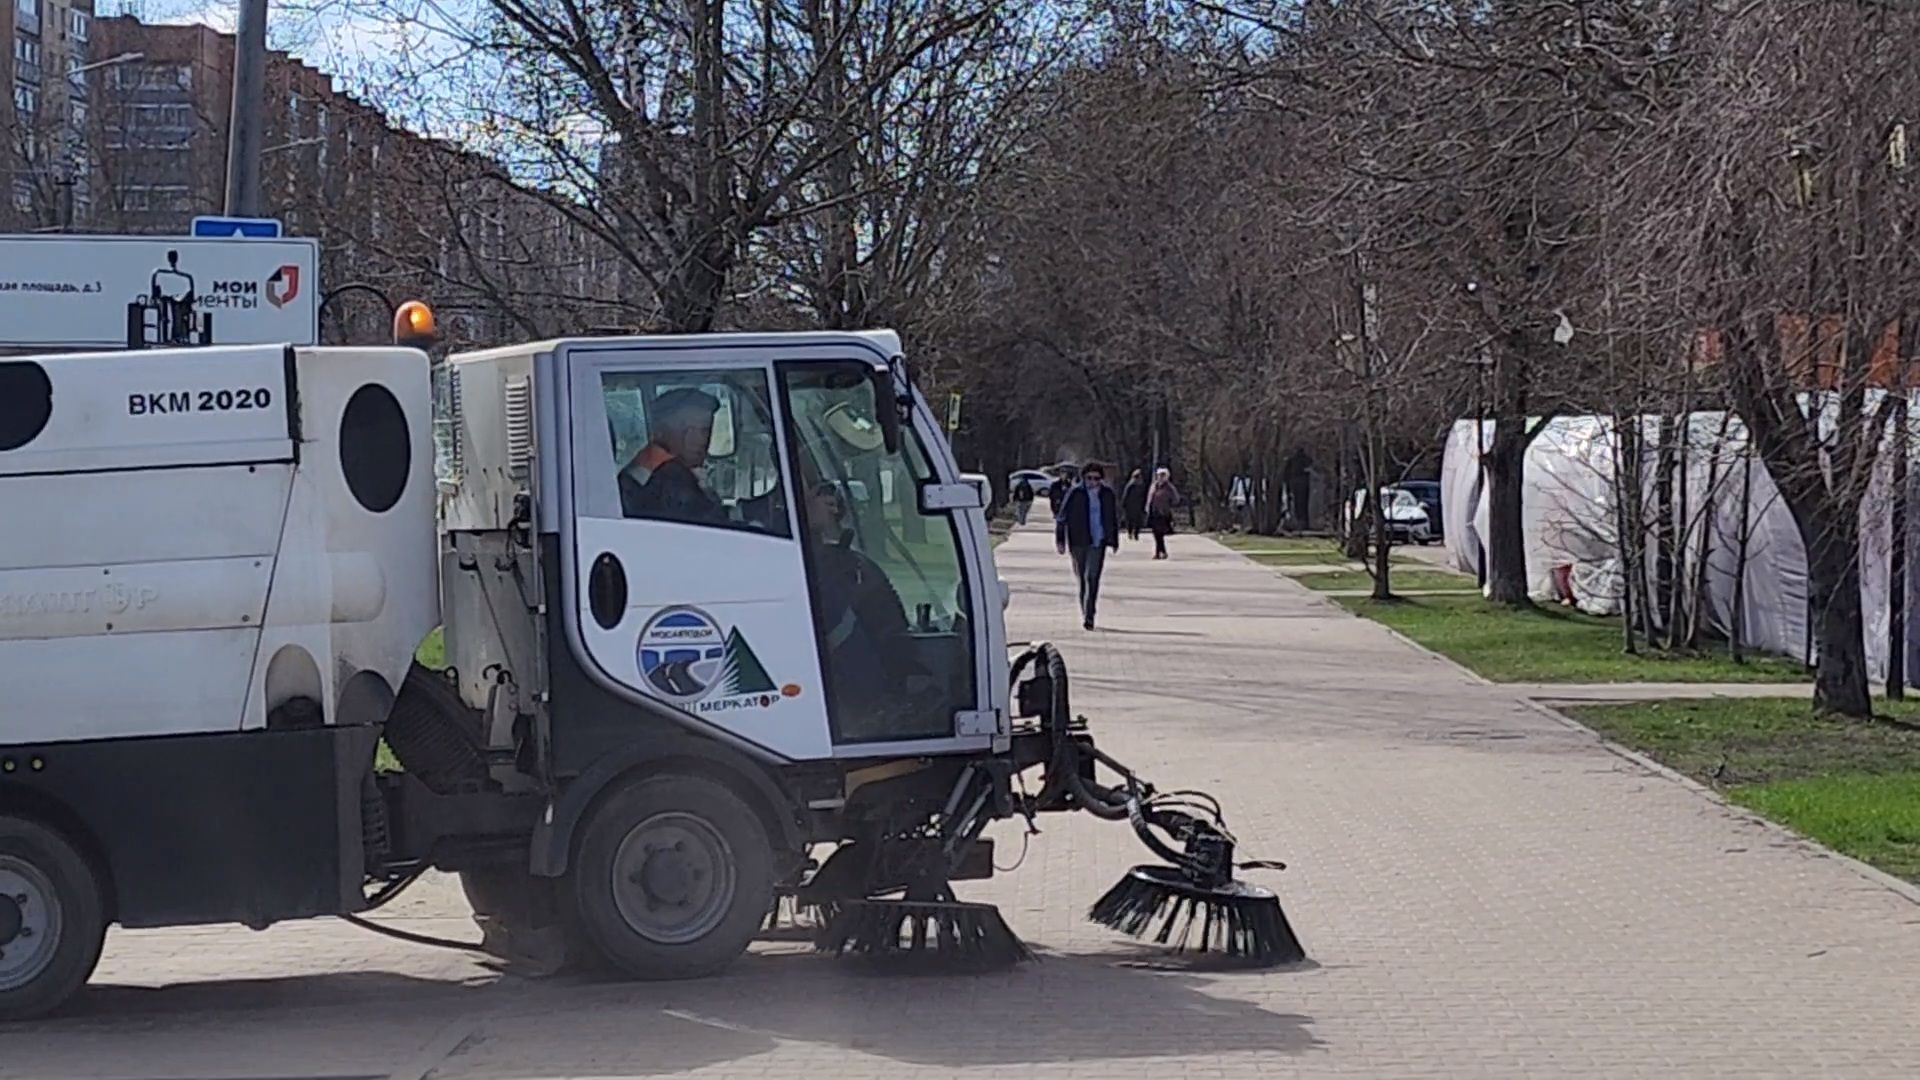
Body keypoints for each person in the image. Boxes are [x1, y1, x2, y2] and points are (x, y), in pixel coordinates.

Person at [619, 387, 726, 525]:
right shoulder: (672, 478)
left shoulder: (642, 466)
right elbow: (714, 524)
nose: (700, 440)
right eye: (686, 430)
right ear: (660, 431)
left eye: (705, 430)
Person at [1055, 461, 1121, 630]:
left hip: (1098, 542)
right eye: (1089, 478)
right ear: (1083, 478)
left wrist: (1114, 540)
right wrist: (1060, 540)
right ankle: (1085, 610)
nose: (1093, 482)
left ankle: (1089, 615)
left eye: (1096, 479)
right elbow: (1062, 517)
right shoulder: (1075, 493)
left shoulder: (1107, 494)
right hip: (1078, 541)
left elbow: (1112, 518)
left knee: (1092, 577)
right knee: (1082, 578)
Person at [1146, 467, 1181, 560]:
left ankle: (1159, 553)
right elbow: (1150, 497)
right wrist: (1148, 508)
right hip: (1154, 512)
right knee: (1156, 533)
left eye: (1163, 475)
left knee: (1159, 533)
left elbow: (1176, 499)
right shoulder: (1154, 486)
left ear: (1166, 476)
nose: (1160, 477)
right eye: (1159, 475)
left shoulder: (1169, 487)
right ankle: (1161, 552)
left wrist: (1169, 504)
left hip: (1163, 513)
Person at [1120, 468, 1148, 541]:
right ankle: (1130, 532)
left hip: (1138, 505)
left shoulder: (1142, 485)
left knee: (1137, 521)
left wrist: (1144, 504)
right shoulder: (1130, 485)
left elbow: (1144, 495)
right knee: (1130, 520)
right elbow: (1126, 494)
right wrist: (1124, 503)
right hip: (1130, 505)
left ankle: (1136, 534)